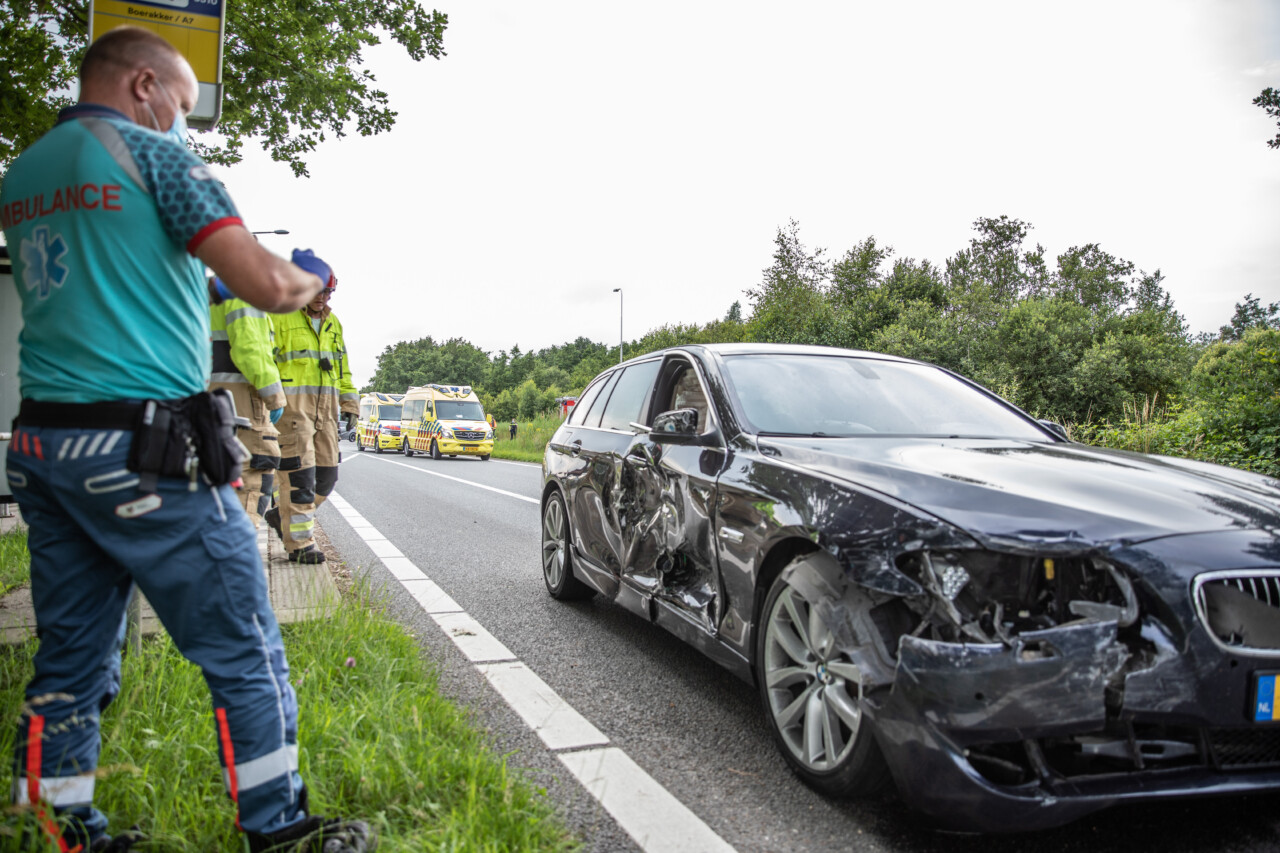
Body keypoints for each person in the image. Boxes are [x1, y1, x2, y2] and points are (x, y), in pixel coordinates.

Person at [0, 27, 373, 853]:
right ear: (142, 84)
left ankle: (55, 829)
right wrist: (313, 281)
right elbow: (265, 281)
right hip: (142, 452)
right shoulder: (158, 157)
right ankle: (281, 830)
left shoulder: (24, 172)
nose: (183, 119)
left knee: (69, 659)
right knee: (243, 642)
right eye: (179, 100)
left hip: (43, 450)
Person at [264, 269, 358, 563]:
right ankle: (300, 545)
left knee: (326, 477)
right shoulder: (280, 316)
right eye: (317, 291)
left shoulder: (333, 323)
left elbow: (343, 369)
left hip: (326, 415)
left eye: (327, 292)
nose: (322, 298)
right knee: (299, 480)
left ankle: (281, 517)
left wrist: (350, 403)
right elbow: (265, 360)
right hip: (292, 412)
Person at [210, 284, 285, 527]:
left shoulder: (203, 291)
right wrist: (274, 397)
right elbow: (250, 348)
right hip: (242, 406)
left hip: (207, 405)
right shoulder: (241, 291)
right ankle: (234, 559)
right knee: (253, 483)